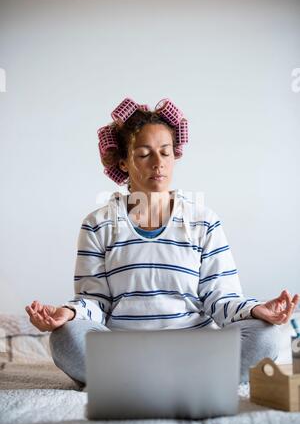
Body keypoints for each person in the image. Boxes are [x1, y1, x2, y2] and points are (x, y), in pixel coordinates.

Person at [25, 98, 299, 385]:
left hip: (195, 348)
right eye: (144, 154)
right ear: (123, 162)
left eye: (165, 153)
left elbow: (221, 299)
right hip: (124, 349)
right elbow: (95, 303)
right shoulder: (97, 224)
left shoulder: (204, 221)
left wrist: (257, 310)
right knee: (65, 338)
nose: (158, 164)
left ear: (174, 156)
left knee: (266, 335)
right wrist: (68, 313)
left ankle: (134, 382)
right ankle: (180, 380)